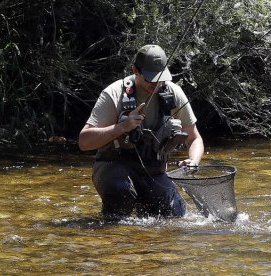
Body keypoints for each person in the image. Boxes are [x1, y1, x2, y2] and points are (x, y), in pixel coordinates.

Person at [79, 44, 204, 219]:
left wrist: (194, 160)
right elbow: (84, 142)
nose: (156, 84)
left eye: (160, 79)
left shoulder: (173, 94)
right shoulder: (114, 94)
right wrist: (122, 127)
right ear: (135, 70)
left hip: (153, 171)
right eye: (150, 79)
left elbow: (194, 138)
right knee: (120, 191)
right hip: (113, 166)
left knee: (174, 215)